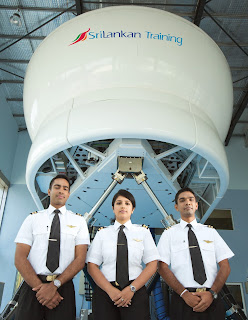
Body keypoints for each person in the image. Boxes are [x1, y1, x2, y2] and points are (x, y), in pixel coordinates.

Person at [14, 174, 90, 320]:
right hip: (33, 286)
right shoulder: (32, 219)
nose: (61, 191)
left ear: (68, 194)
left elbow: (80, 259)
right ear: (49, 191)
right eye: (57, 187)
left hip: (63, 287)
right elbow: (19, 258)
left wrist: (54, 285)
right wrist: (41, 289)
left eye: (65, 188)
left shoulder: (79, 221)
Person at [157, 187, 234, 320]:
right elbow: (161, 267)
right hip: (183, 300)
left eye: (191, 199)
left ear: (196, 205)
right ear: (176, 207)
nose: (187, 202)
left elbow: (225, 266)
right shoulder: (169, 234)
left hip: (212, 298)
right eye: (182, 200)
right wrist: (184, 294)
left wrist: (212, 293)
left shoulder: (211, 232)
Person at [86, 189, 159, 320]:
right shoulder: (102, 234)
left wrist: (131, 289)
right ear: (113, 208)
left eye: (127, 203)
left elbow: (153, 264)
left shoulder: (143, 232)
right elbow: (92, 265)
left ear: (133, 209)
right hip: (105, 292)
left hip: (135, 291)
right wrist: (110, 290)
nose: (123, 206)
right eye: (119, 203)